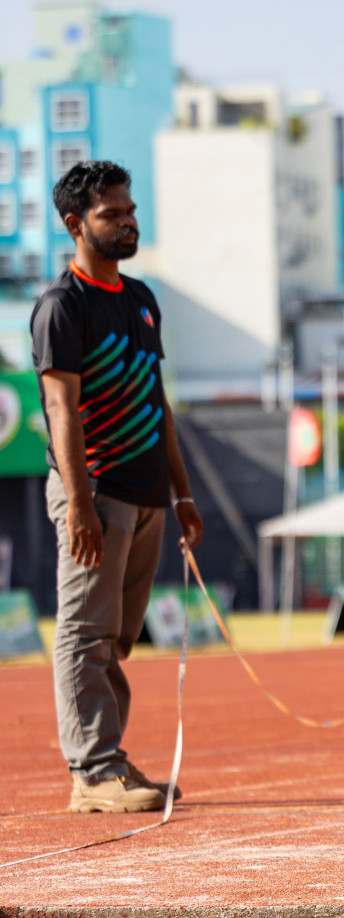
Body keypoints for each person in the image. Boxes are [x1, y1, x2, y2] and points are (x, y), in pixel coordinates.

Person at [31, 161, 203, 813]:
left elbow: (154, 399)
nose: (128, 220)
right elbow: (60, 410)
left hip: (147, 493)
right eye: (112, 213)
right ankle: (93, 772)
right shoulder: (61, 306)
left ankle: (111, 758)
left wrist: (181, 492)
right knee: (85, 630)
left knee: (119, 634)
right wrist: (77, 503)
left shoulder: (141, 299)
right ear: (76, 224)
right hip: (94, 493)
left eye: (130, 209)